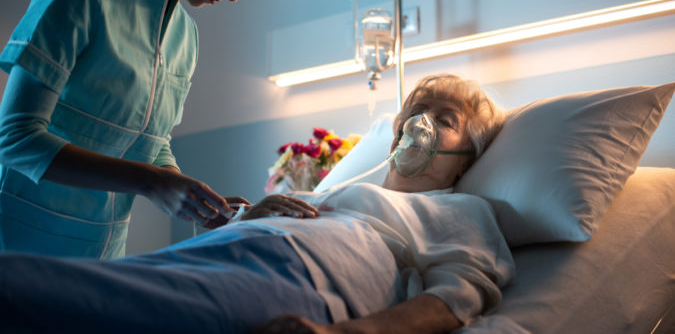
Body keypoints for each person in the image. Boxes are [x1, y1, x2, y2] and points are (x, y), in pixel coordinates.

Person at [0, 74, 512, 334]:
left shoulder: (460, 212)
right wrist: (252, 213)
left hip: (298, 277)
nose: (422, 124)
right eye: (417, 112)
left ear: (467, 159)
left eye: (446, 120)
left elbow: (455, 299)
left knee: (37, 293)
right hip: (230, 251)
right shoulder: (330, 192)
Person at [0, 0, 259, 259]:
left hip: (106, 258)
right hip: (20, 252)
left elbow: (154, 141)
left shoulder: (186, 37)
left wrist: (192, 200)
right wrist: (152, 182)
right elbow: (15, 138)